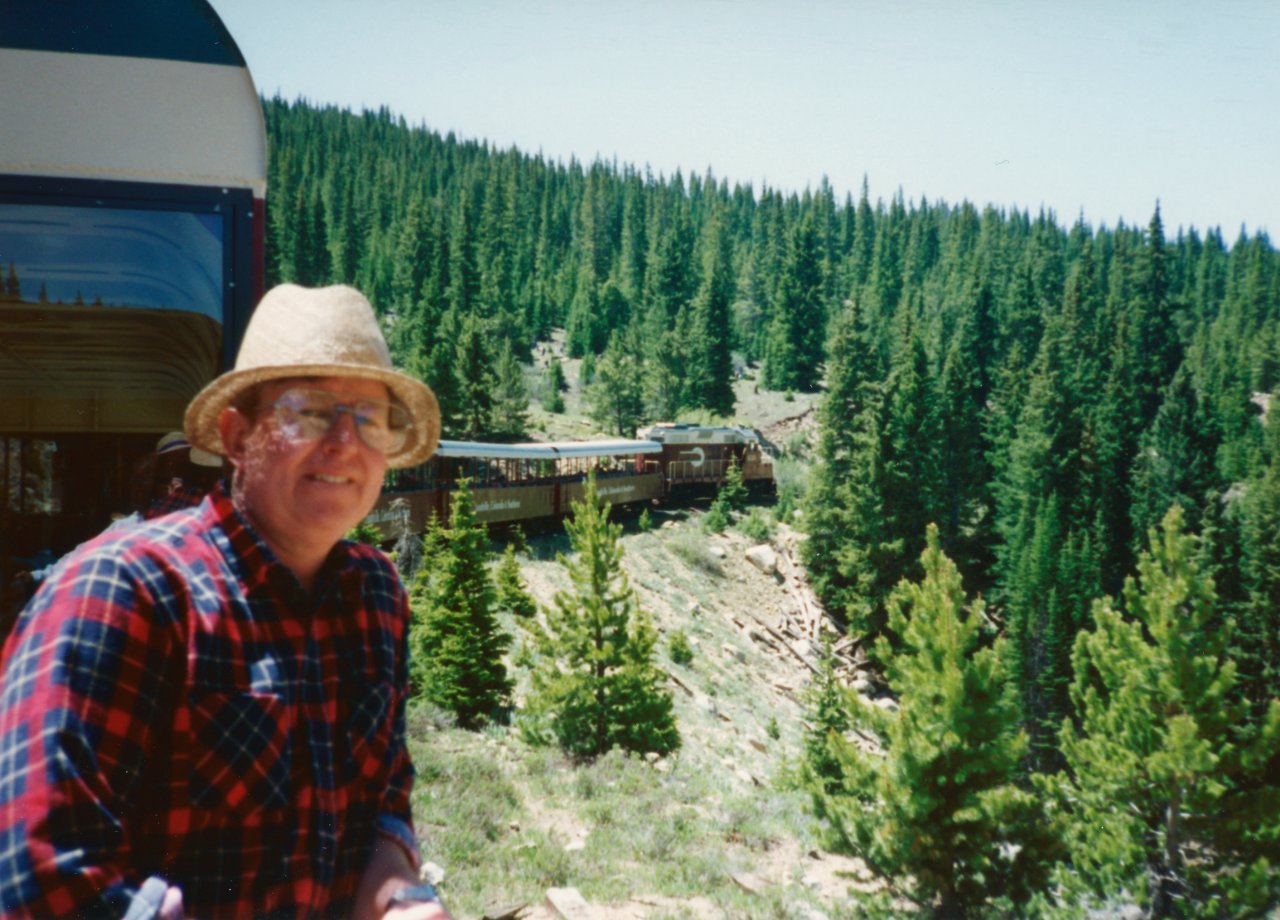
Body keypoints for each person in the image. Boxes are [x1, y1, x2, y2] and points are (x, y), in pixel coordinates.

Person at [0, 284, 453, 920]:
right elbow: (33, 875)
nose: (346, 443)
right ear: (236, 438)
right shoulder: (120, 592)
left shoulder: (375, 593)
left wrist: (396, 892)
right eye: (312, 411)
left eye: (371, 419)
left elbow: (384, 800)